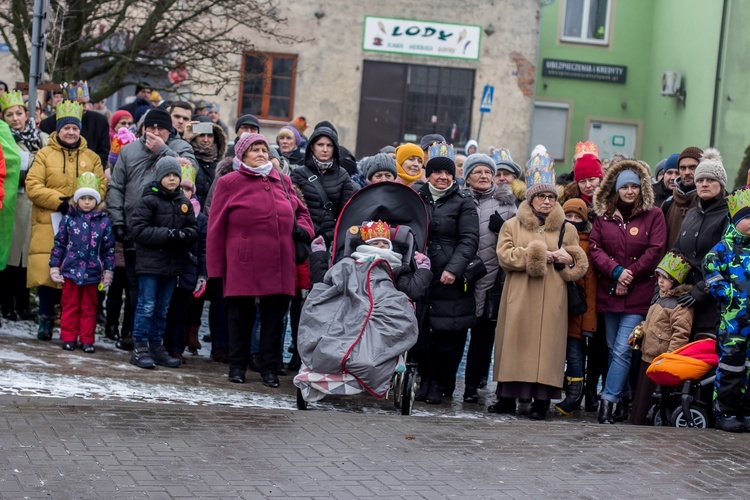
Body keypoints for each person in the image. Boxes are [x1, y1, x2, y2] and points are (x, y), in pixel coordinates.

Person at [207, 133, 313, 387]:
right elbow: (215, 227)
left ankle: (269, 368)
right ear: (242, 156)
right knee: (240, 316)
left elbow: (303, 212)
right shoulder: (229, 182)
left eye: (264, 150)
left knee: (274, 317)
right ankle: (237, 366)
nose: (261, 154)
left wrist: (304, 230)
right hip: (243, 260)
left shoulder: (283, 181)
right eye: (254, 150)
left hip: (279, 261)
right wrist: (215, 269)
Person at [490, 153, 588, 420]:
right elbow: (504, 256)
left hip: (552, 296)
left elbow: (576, 259)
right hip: (520, 295)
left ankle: (541, 402)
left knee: (547, 350)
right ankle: (507, 398)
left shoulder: (566, 228)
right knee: (515, 344)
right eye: (541, 197)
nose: (547, 201)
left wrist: (567, 258)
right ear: (530, 199)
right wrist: (534, 254)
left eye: (551, 197)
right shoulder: (511, 224)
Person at [107, 107, 197, 349]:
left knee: (162, 297)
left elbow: (190, 170)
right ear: (143, 128)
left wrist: (163, 151)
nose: (155, 132)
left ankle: (156, 343)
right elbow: (116, 186)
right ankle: (134, 338)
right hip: (134, 230)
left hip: (168, 236)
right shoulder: (129, 151)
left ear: (170, 131)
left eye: (161, 128)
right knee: (136, 288)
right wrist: (117, 220)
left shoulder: (180, 148)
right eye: (151, 128)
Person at [589, 159, 667, 424]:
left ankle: (607, 401)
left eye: (635, 186)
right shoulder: (604, 217)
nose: (630, 191)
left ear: (642, 188)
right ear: (617, 190)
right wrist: (616, 272)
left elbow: (656, 249)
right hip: (609, 294)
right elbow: (595, 248)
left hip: (638, 297)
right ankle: (623, 398)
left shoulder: (653, 215)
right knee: (613, 349)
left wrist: (628, 275)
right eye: (625, 187)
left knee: (624, 348)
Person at [25, 100, 106, 340]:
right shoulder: (44, 155)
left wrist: (85, 203)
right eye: (66, 128)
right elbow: (33, 186)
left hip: (83, 225)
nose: (71, 132)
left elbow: (102, 186)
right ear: (58, 130)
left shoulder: (92, 158)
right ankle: (46, 319)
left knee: (74, 275)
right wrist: (61, 201)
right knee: (48, 271)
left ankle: (71, 323)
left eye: (75, 128)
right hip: (48, 221)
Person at [415, 144, 479, 405]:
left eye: (448, 173)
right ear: (428, 174)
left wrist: (454, 269)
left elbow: (469, 239)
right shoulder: (415, 196)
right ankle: (425, 379)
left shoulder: (463, 201)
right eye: (438, 172)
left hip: (449, 278)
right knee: (422, 335)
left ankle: (441, 383)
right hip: (421, 275)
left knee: (446, 335)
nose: (443, 177)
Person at [128, 157, 198, 369]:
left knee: (162, 308)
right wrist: (168, 234)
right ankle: (139, 346)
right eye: (168, 175)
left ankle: (156, 346)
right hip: (150, 264)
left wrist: (186, 234)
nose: (172, 179)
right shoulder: (149, 200)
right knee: (146, 305)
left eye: (175, 176)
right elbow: (138, 230)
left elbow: (194, 229)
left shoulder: (184, 203)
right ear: (159, 177)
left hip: (172, 264)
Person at [462, 153, 517, 403]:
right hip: (464, 275)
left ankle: (472, 386)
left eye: (488, 172)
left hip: (494, 278)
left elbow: (518, 239)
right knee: (456, 334)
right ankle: (445, 382)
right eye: (478, 172)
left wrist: (503, 229)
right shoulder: (460, 198)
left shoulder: (507, 203)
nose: (483, 176)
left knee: (484, 337)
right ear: (468, 177)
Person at [48, 172, 115, 352]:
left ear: (97, 201)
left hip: (92, 273)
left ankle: (87, 340)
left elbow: (108, 248)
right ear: (77, 200)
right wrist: (55, 266)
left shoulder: (104, 223)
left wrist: (108, 271)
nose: (86, 202)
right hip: (71, 271)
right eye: (83, 198)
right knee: (69, 306)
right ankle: (68, 337)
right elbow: (59, 243)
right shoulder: (68, 220)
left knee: (89, 308)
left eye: (90, 198)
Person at [629, 252, 694, 425]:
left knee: (653, 396)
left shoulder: (680, 305)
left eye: (666, 278)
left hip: (661, 359)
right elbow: (650, 322)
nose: (661, 281)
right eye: (659, 277)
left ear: (676, 280)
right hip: (647, 355)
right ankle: (637, 421)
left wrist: (670, 358)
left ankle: (651, 423)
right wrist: (640, 330)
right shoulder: (658, 298)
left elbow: (680, 333)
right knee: (642, 394)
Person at [704, 187, 750, 432]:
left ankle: (747, 411)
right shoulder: (724, 249)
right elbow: (710, 271)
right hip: (734, 322)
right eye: (747, 217)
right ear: (735, 220)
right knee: (731, 366)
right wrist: (727, 294)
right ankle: (726, 413)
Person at [0, 90, 48, 322]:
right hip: (13, 203)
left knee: (29, 258)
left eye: (19, 113)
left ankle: (24, 304)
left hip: (35, 205)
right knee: (10, 257)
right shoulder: (4, 139)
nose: (16, 118)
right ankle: (6, 304)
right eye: (10, 115)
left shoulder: (41, 137)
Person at [671, 148, 729, 339]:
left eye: (710, 180)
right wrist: (664, 281)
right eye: (700, 180)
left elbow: (728, 260)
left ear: (720, 184)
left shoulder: (729, 215)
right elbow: (677, 251)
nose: (704, 184)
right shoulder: (692, 214)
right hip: (684, 301)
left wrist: (700, 291)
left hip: (712, 304)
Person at [555, 199, 598, 416]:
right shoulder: (555, 238)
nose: (572, 221)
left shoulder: (588, 245)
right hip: (556, 307)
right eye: (568, 216)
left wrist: (589, 322)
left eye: (577, 217)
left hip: (576, 311)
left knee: (574, 355)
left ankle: (574, 396)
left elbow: (590, 287)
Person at [164, 163, 207, 361]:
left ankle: (176, 347)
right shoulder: (167, 209)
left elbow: (203, 248)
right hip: (167, 268)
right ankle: (160, 345)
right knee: (164, 308)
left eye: (188, 189)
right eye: (181, 188)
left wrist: (202, 274)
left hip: (188, 271)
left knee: (182, 312)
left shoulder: (201, 219)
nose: (184, 192)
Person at [290, 126, 354, 245]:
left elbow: (347, 213)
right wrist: (308, 231)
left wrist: (328, 236)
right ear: (312, 147)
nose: (325, 149)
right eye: (320, 144)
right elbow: (293, 209)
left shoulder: (343, 175)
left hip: (331, 240)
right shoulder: (298, 174)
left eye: (329, 145)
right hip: (303, 237)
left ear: (335, 148)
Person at [39, 82, 110, 167]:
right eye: (81, 104)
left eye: (87, 103)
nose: (86, 107)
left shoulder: (99, 122)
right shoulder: (47, 124)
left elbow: (103, 154)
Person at [663, 146, 702, 249]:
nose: (687, 172)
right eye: (683, 168)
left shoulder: (708, 203)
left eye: (692, 167)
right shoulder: (668, 204)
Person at [184, 119, 227, 208]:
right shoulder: (188, 158)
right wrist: (185, 139)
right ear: (194, 137)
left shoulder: (221, 164)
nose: (206, 140)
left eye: (210, 136)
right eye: (201, 135)